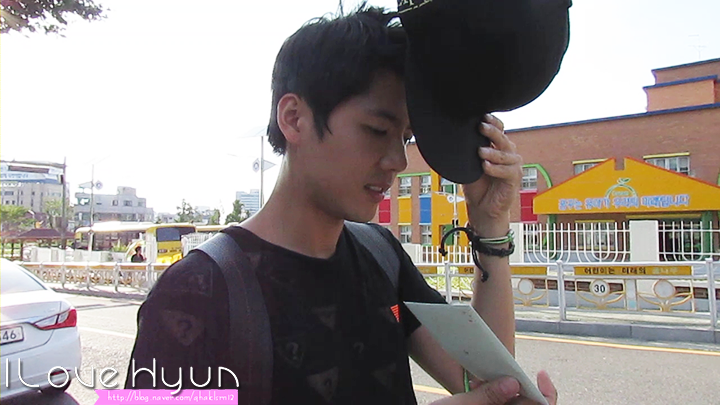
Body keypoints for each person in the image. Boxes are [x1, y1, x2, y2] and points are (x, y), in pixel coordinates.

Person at [124, 6, 557, 405]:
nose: (398, 161)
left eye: (405, 138)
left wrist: (490, 223)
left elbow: (486, 381)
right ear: (294, 118)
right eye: (376, 130)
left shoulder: (382, 258)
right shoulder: (194, 294)